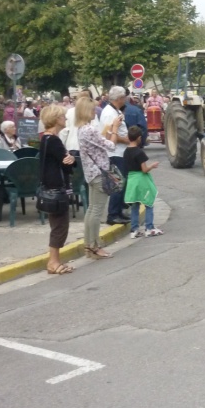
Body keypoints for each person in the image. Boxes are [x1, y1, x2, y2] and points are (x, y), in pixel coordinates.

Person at [77, 97, 118, 258]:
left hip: (91, 173)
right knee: (97, 211)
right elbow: (111, 145)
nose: (95, 112)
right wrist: (114, 128)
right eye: (93, 109)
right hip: (100, 173)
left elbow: (97, 143)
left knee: (91, 209)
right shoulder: (89, 130)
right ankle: (95, 246)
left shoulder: (81, 129)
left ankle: (89, 245)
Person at [39, 105, 75, 274]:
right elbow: (67, 163)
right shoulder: (54, 140)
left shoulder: (45, 139)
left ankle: (55, 260)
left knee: (57, 224)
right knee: (60, 225)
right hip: (56, 187)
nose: (65, 119)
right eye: (63, 116)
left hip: (48, 186)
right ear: (56, 119)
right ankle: (53, 262)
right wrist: (72, 159)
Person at [124, 125, 163, 239]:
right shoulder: (139, 152)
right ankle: (149, 228)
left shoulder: (126, 151)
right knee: (148, 203)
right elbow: (144, 169)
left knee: (135, 205)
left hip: (131, 179)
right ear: (139, 138)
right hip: (141, 179)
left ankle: (134, 229)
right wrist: (152, 165)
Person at [99, 86, 130, 225]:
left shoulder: (114, 110)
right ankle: (113, 214)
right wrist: (125, 139)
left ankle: (118, 211)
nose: (125, 100)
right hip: (114, 153)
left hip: (120, 152)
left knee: (121, 182)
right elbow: (107, 135)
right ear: (119, 98)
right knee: (117, 183)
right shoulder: (109, 113)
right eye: (124, 97)